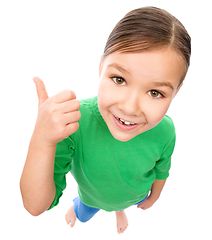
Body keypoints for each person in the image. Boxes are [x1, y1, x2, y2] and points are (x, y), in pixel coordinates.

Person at [20, 6, 191, 234]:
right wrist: (42, 139)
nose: (129, 108)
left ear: (176, 93)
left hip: (132, 196)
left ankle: (118, 210)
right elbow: (34, 206)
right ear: (101, 68)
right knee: (85, 211)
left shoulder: (166, 130)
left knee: (120, 204)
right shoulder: (74, 124)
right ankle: (78, 208)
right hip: (91, 198)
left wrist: (153, 198)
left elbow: (162, 169)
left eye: (155, 93)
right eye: (119, 79)